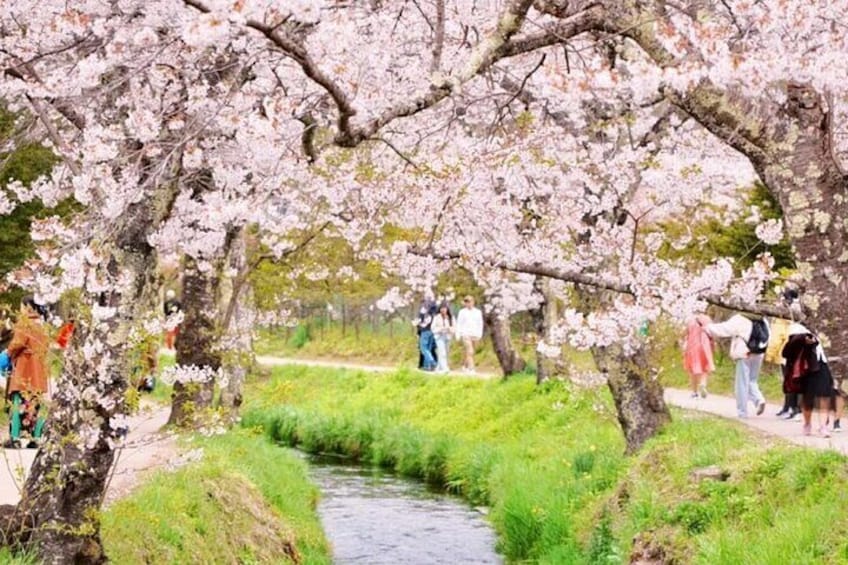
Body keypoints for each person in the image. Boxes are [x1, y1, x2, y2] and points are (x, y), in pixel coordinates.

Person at [697, 313, 768, 419]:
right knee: (752, 380)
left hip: (743, 353)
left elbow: (724, 329)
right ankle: (759, 399)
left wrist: (707, 328)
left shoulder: (740, 319)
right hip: (758, 353)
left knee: (742, 384)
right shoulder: (763, 319)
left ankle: (742, 412)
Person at [5, 299, 50, 449]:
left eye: (22, 306)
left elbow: (17, 343)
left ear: (28, 307)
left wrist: (8, 352)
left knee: (18, 401)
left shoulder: (25, 323)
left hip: (25, 368)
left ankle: (15, 437)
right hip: (39, 368)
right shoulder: (43, 325)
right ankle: (36, 437)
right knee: (35, 403)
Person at [781, 323, 834, 437]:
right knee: (807, 399)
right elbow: (789, 347)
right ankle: (807, 424)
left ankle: (823, 427)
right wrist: (804, 339)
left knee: (824, 396)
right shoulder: (795, 328)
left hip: (820, 365)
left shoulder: (819, 323)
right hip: (804, 369)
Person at [683, 316, 714, 398]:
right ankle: (703, 384)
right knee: (705, 367)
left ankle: (694, 392)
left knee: (692, 369)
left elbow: (686, 333)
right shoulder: (708, 319)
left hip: (692, 345)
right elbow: (712, 333)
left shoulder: (690, 320)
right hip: (705, 345)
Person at [456, 295, 483, 373]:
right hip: (465, 333)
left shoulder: (478, 312)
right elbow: (459, 323)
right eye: (466, 302)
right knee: (470, 350)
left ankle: (465, 365)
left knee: (470, 352)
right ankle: (472, 368)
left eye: (469, 301)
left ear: (473, 302)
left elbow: (480, 323)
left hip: (474, 334)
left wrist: (479, 334)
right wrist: (458, 334)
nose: (468, 303)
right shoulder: (462, 312)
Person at [431, 302, 454, 373]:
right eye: (442, 308)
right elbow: (433, 328)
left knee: (446, 352)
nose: (443, 310)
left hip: (448, 336)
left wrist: (450, 329)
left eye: (445, 308)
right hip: (439, 336)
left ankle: (439, 367)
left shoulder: (450, 317)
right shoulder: (437, 317)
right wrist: (440, 329)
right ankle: (445, 368)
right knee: (442, 352)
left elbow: (454, 327)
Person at [414, 303, 437, 371]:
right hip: (432, 332)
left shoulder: (427, 314)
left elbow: (423, 323)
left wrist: (417, 323)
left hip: (425, 331)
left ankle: (432, 362)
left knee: (423, 348)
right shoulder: (434, 314)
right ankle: (427, 366)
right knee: (428, 349)